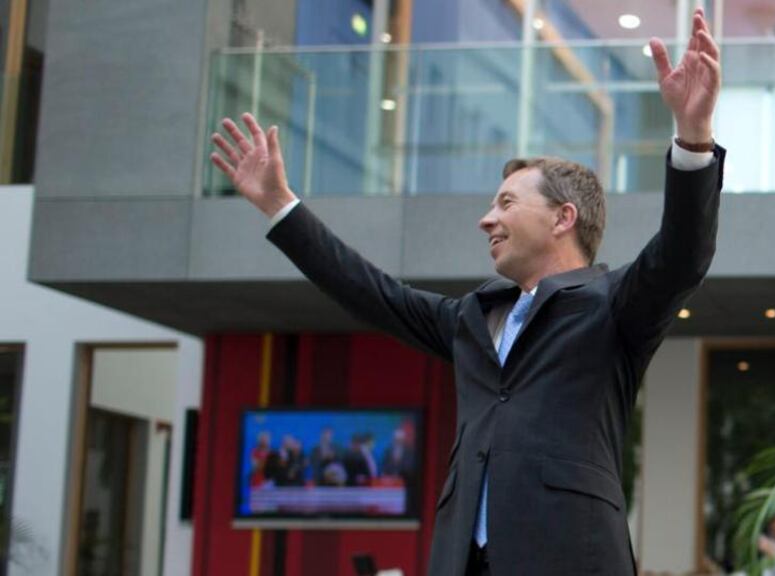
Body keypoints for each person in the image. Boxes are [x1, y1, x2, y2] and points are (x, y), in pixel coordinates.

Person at [210, 8, 723, 575]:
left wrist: (693, 137)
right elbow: (368, 291)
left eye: (505, 203)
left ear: (562, 218)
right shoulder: (472, 319)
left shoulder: (613, 305)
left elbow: (682, 253)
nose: (486, 220)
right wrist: (280, 206)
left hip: (571, 558)